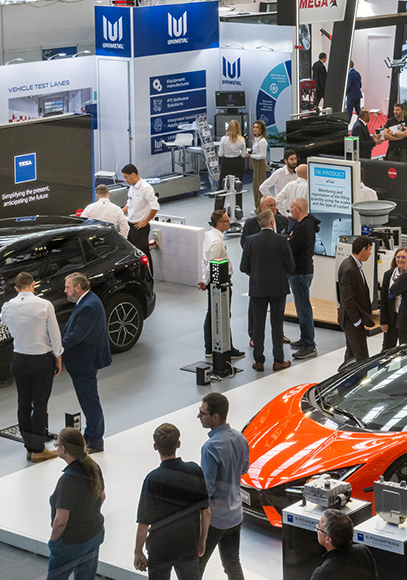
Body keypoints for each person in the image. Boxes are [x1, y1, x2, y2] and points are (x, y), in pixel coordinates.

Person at [0, 272, 63, 463]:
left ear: (16, 288)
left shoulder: (8, 306)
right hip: (41, 360)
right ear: (33, 284)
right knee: (40, 404)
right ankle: (38, 449)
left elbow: (4, 322)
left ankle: (29, 446)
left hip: (19, 359)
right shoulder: (44, 305)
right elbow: (54, 334)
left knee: (23, 404)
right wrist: (58, 357)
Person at [134, 423, 210, 580]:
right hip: (188, 544)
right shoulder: (194, 470)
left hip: (160, 548)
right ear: (179, 444)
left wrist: (138, 552)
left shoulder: (152, 479)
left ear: (155, 447)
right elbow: (206, 511)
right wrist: (202, 540)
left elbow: (143, 525)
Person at [197, 393, 249, 580]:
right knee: (232, 563)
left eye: (202, 413)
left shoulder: (210, 447)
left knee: (197, 564)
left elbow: (207, 489)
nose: (199, 416)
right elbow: (244, 468)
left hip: (215, 519)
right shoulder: (240, 438)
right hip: (235, 515)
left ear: (215, 417)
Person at [240, 209, 296, 372]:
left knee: (258, 324)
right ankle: (278, 360)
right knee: (276, 325)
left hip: (257, 287)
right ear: (272, 222)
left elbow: (243, 266)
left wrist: (255, 273)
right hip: (278, 288)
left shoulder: (250, 241)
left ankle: (259, 360)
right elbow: (291, 266)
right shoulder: (282, 240)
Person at [62, 272, 111, 454]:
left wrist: (57, 348)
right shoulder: (87, 301)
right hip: (84, 360)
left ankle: (95, 440)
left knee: (90, 402)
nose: (65, 290)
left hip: (85, 361)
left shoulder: (89, 306)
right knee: (88, 400)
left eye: (68, 287)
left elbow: (77, 335)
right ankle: (91, 435)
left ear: (78, 287)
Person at [49, 428, 105, 580]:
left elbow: (61, 520)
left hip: (71, 541)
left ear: (63, 449)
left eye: (57, 444)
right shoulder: (93, 467)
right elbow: (102, 496)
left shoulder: (67, 481)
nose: (56, 446)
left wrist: (53, 540)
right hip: (94, 533)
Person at [200, 210, 244, 360]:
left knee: (212, 313)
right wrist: (206, 282)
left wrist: (205, 279)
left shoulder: (209, 235)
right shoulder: (217, 241)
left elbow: (204, 261)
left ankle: (210, 347)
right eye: (226, 221)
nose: (229, 223)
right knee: (223, 314)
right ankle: (227, 347)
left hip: (214, 280)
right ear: (219, 224)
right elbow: (211, 263)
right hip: (220, 281)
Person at [287, 197, 320, 360]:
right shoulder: (306, 225)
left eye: (292, 207)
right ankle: (305, 339)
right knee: (301, 307)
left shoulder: (302, 228)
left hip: (300, 273)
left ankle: (309, 345)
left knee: (303, 307)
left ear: (298, 209)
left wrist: (289, 238)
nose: (290, 210)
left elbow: (290, 246)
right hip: (302, 271)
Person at [337, 235, 375, 368]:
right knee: (362, 357)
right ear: (363, 250)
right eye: (369, 250)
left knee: (351, 354)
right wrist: (356, 321)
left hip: (352, 319)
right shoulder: (350, 269)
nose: (370, 253)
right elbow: (348, 299)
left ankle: (345, 380)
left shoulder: (351, 264)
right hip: (351, 320)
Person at [311, 509, 379, 580]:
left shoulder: (322, 574)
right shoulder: (363, 551)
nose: (317, 529)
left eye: (319, 527)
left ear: (328, 539)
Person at [121, 163, 160, 267]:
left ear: (133, 174)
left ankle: (148, 277)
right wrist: (118, 213)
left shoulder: (146, 188)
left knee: (143, 254)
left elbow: (155, 207)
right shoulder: (132, 188)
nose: (125, 180)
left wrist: (145, 221)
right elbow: (128, 205)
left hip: (140, 228)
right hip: (130, 226)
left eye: (126, 177)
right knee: (131, 254)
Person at [379, 246, 407, 352]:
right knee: (387, 349)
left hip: (406, 319)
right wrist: (383, 321)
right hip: (392, 317)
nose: (400, 260)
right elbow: (383, 300)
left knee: (405, 349)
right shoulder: (388, 275)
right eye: (398, 257)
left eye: (403, 257)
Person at [219, 120, 246, 209]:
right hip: (237, 163)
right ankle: (238, 209)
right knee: (237, 186)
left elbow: (220, 153)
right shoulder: (241, 139)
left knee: (222, 187)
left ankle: (218, 210)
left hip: (226, 163)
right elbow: (243, 154)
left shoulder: (223, 139)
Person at [249, 120, 269, 210]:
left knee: (259, 185)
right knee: (255, 185)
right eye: (254, 127)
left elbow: (263, 155)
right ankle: (257, 205)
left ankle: (260, 207)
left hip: (260, 164)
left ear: (261, 130)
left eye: (257, 127)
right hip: (255, 163)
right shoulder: (255, 139)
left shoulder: (262, 141)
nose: (255, 129)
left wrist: (251, 155)